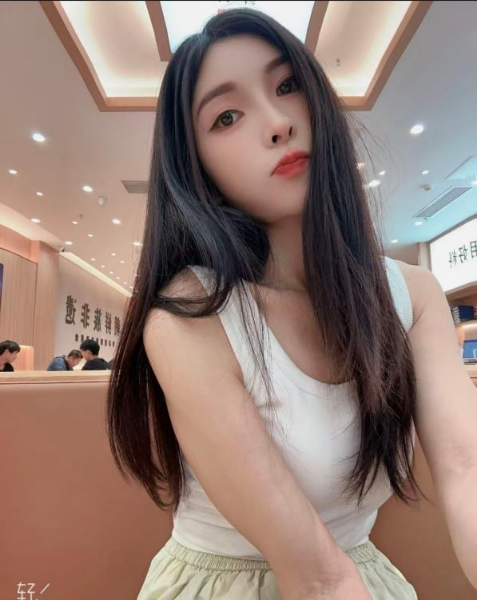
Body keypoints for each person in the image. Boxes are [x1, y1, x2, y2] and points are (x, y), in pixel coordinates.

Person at [107, 9, 477, 600]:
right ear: (194, 164)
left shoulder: (413, 294)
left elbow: (466, 469)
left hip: (357, 573)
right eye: (227, 117)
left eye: (287, 86)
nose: (278, 123)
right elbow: (318, 576)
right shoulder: (189, 315)